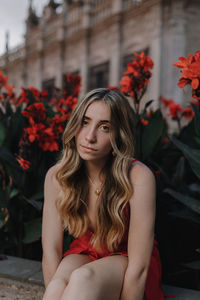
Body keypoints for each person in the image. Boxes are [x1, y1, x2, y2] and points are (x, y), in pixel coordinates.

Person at [42, 88, 165, 300]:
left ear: (119, 134)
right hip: (86, 251)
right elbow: (51, 252)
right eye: (84, 122)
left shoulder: (138, 176)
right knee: (58, 284)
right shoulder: (57, 175)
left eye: (105, 127)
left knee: (82, 278)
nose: (90, 137)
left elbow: (139, 267)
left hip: (128, 258)